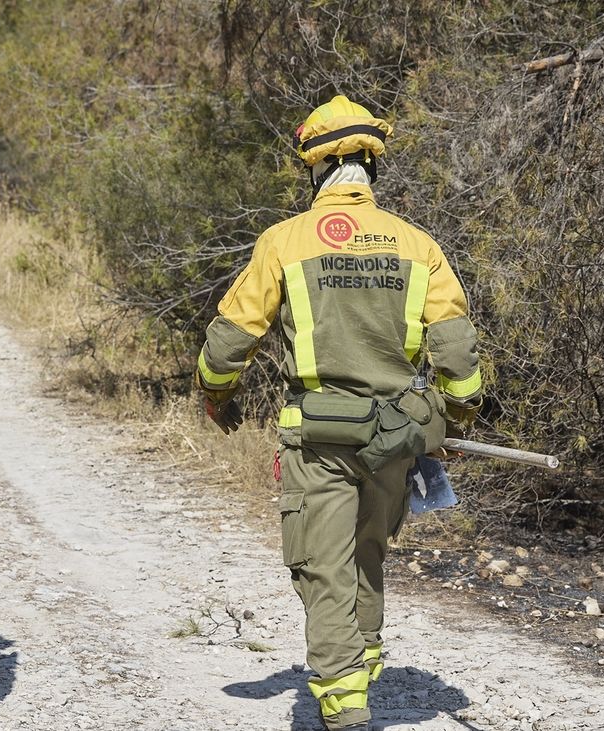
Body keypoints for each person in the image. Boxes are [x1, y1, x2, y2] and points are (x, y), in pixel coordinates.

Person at [194, 95, 483, 731]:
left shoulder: (285, 242)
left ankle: (345, 704)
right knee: (368, 550)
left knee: (323, 565)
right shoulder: (416, 244)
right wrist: (455, 420)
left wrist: (216, 394)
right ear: (372, 168)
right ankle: (363, 656)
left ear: (315, 169)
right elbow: (456, 347)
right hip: (397, 433)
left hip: (319, 437)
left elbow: (230, 339)